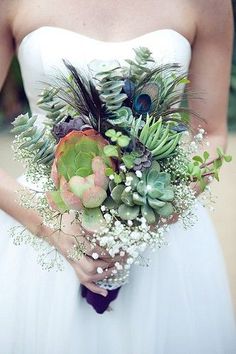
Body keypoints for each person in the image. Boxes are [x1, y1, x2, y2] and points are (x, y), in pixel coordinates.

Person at [0, 0, 236, 353]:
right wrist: (51, 226)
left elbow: (212, 132)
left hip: (163, 245)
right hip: (46, 231)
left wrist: (154, 214)